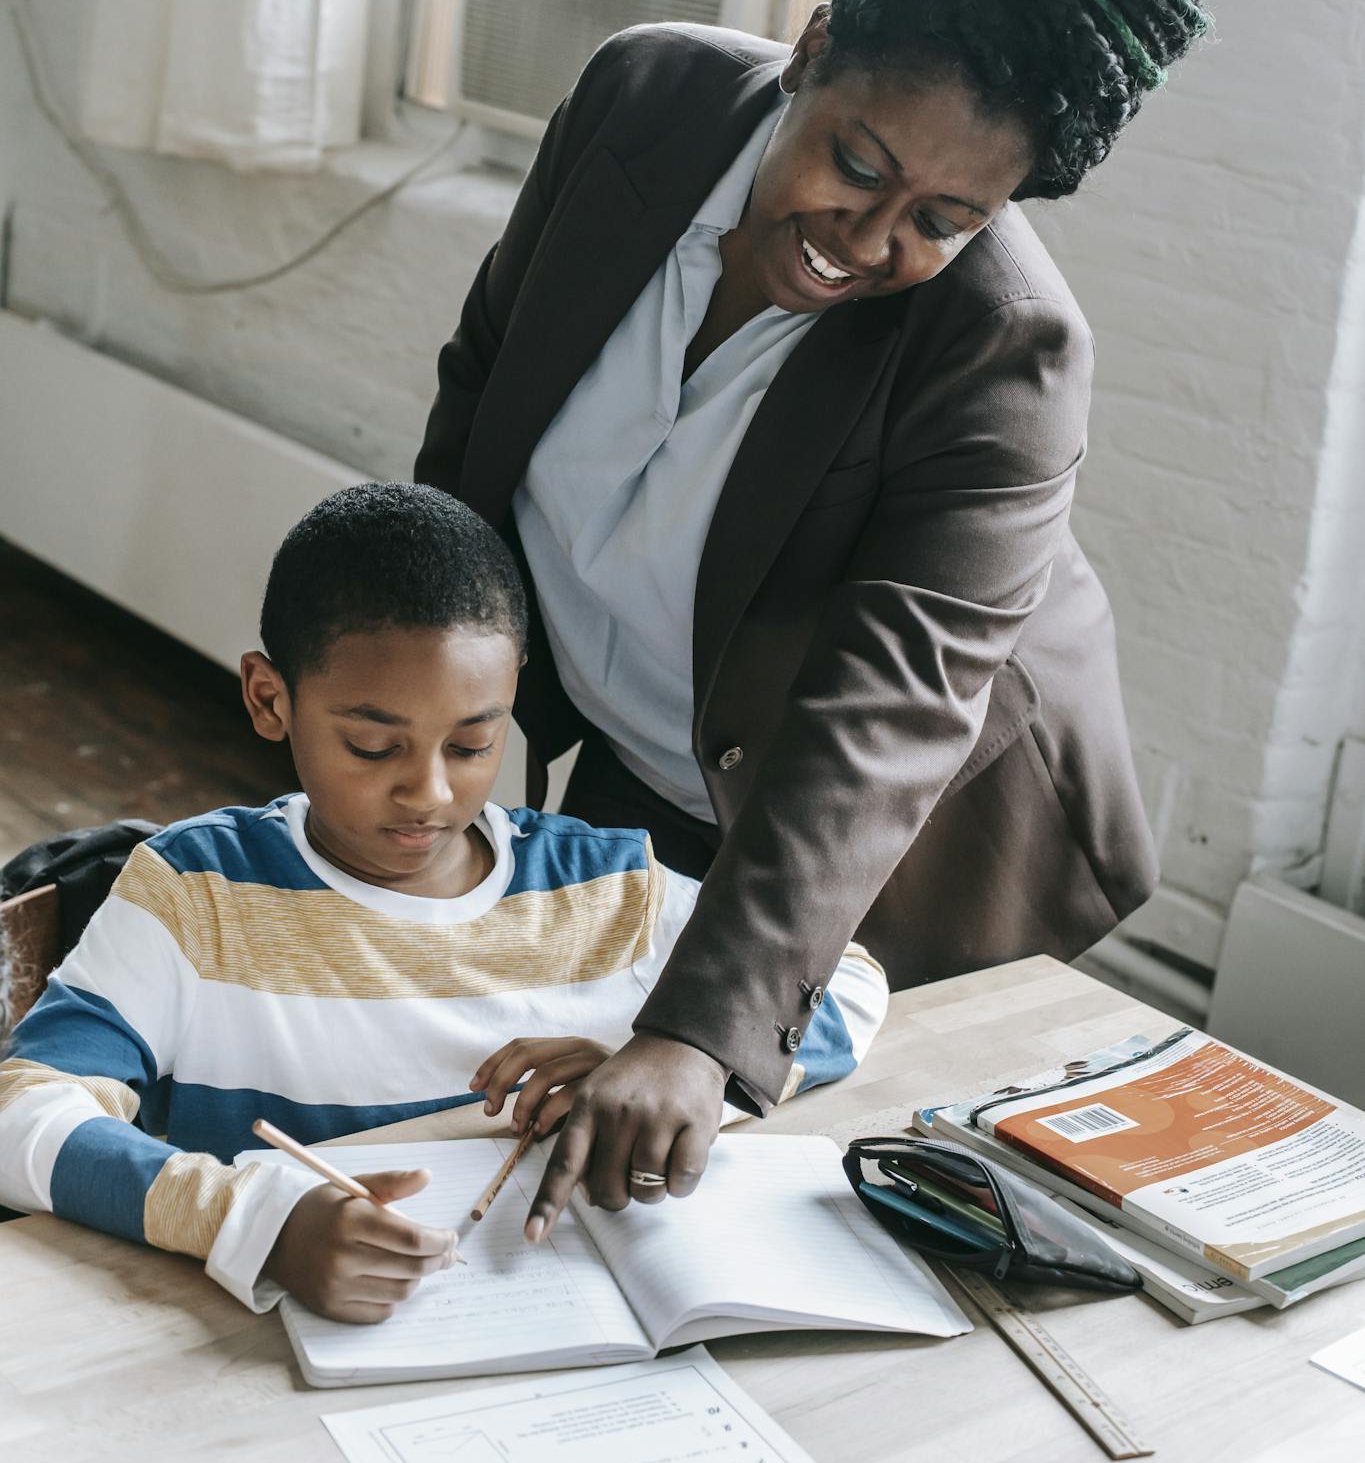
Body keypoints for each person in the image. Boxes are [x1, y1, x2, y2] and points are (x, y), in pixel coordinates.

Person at [415, 0, 1213, 1239]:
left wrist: (705, 1035)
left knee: (810, 1246)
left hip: (893, 862)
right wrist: (413, 713)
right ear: (813, 45)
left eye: (943, 219)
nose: (869, 239)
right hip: (649, 752)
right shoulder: (637, 103)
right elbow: (483, 398)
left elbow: (885, 710)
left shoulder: (1004, 347)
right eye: (857, 165)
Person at [0, 484, 885, 1320]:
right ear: (270, 699)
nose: (426, 792)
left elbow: (844, 980)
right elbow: (23, 1114)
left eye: (472, 744)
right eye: (372, 746)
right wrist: (252, 1221)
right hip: (269, 1349)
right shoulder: (197, 893)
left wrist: (665, 1066)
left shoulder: (604, 886)